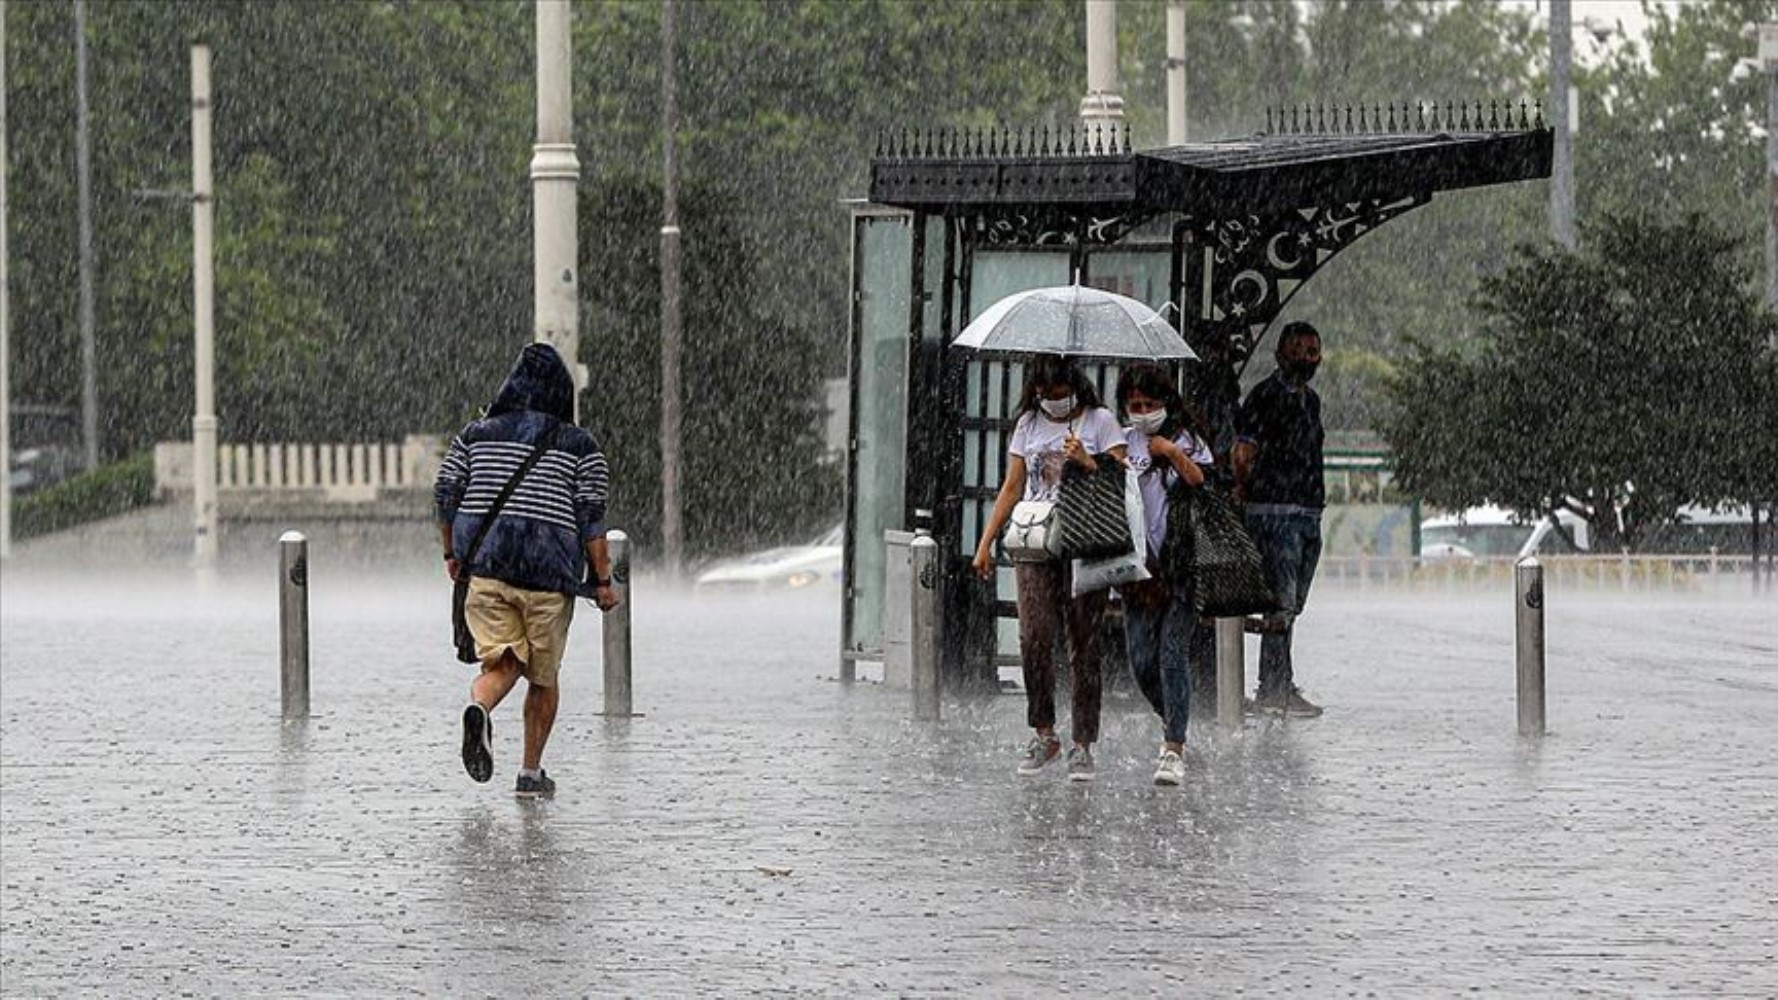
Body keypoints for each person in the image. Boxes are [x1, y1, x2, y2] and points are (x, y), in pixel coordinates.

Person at [435, 343, 620, 799]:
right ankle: (530, 774)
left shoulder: (475, 436)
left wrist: (452, 553)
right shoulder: (580, 446)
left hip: (489, 569)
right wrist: (602, 581)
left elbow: (445, 493)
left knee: (503, 661)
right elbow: (590, 518)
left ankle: (480, 705)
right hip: (548, 577)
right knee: (543, 676)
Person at [972, 354, 1127, 782]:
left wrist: (1087, 461)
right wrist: (986, 542)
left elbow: (1121, 479)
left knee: (1084, 642)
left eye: (1058, 393)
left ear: (1073, 385)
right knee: (1034, 635)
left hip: (1084, 541)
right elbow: (1012, 485)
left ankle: (1083, 741)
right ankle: (1044, 731)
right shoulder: (1028, 425)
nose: (1052, 401)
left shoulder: (1100, 421)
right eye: (1044, 394)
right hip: (1036, 541)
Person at [1115, 363, 1211, 785]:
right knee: (1141, 660)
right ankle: (1174, 717)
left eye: (1149, 404)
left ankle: (1174, 746)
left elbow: (1203, 481)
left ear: (1164, 402)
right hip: (1139, 568)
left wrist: (1171, 452)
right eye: (1134, 405)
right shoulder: (1122, 441)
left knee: (1172, 653)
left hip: (1182, 564)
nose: (1141, 411)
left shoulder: (1186, 438)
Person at [1233, 321, 1326, 718]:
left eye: (1313, 351)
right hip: (1274, 513)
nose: (1308, 358)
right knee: (1280, 602)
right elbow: (1242, 453)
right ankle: (1273, 686)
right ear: (1280, 354)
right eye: (1300, 350)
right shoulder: (1263, 397)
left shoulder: (1311, 401)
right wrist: (1246, 491)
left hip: (1307, 512)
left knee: (1292, 604)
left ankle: (1278, 681)